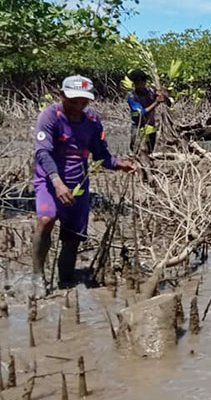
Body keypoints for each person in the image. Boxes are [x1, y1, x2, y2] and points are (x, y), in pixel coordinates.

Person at [32, 75, 136, 294]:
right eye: (73, 100)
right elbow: (42, 152)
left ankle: (66, 282)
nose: (78, 106)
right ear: (61, 96)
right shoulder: (49, 116)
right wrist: (57, 182)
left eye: (83, 101)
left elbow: (101, 155)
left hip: (78, 182)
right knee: (45, 218)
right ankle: (38, 277)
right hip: (49, 181)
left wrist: (119, 164)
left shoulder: (92, 120)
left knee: (73, 236)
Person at [127, 69, 167, 153]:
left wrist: (163, 95)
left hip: (150, 125)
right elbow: (141, 113)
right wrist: (156, 103)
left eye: (141, 81)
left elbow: (168, 102)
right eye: (136, 82)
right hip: (138, 126)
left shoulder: (151, 91)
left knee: (150, 149)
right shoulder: (132, 96)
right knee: (136, 149)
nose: (138, 84)